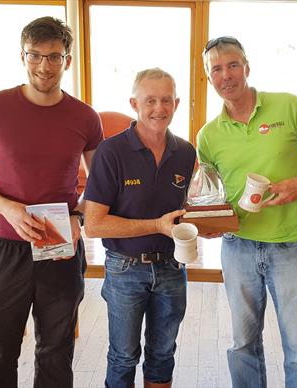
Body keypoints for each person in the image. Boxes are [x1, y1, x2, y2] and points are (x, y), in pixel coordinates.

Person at [0, 16, 103, 388]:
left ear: (67, 60)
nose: (44, 66)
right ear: (22, 56)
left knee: (56, 351)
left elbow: (101, 182)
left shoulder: (85, 117)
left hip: (59, 246)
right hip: (6, 245)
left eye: (54, 57)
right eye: (35, 55)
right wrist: (7, 207)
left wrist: (78, 216)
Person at [197, 36, 297, 388]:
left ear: (247, 67)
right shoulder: (208, 136)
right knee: (242, 345)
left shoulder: (287, 106)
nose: (226, 75)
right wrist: (209, 222)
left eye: (233, 65)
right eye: (216, 69)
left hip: (291, 246)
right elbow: (209, 196)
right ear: (209, 78)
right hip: (237, 246)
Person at [83, 68, 195, 388]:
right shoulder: (111, 152)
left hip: (173, 267)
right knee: (123, 355)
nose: (158, 108)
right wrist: (156, 226)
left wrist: (204, 223)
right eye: (150, 100)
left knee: (163, 354)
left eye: (165, 100)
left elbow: (180, 210)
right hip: (124, 269)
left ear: (176, 103)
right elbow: (93, 225)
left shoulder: (186, 152)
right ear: (134, 103)